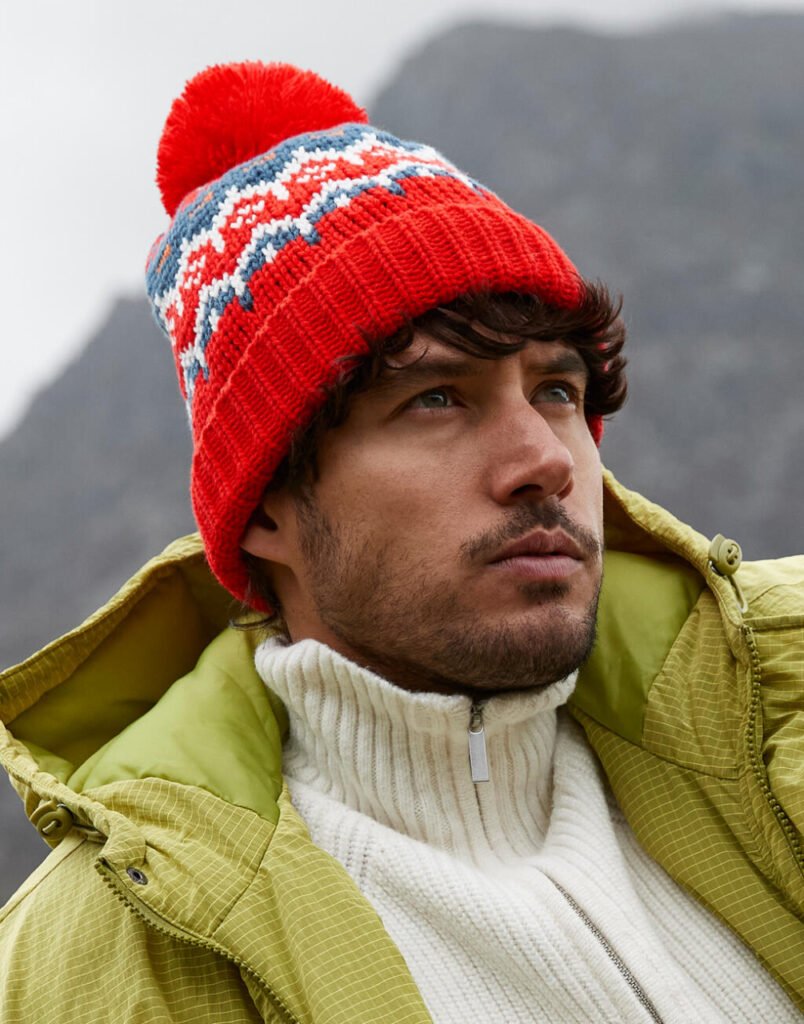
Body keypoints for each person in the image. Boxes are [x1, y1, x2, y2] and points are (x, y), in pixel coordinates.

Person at [0, 60, 801, 1023]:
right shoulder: (102, 959)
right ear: (265, 511)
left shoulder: (782, 708)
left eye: (557, 390)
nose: (547, 460)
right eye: (436, 399)